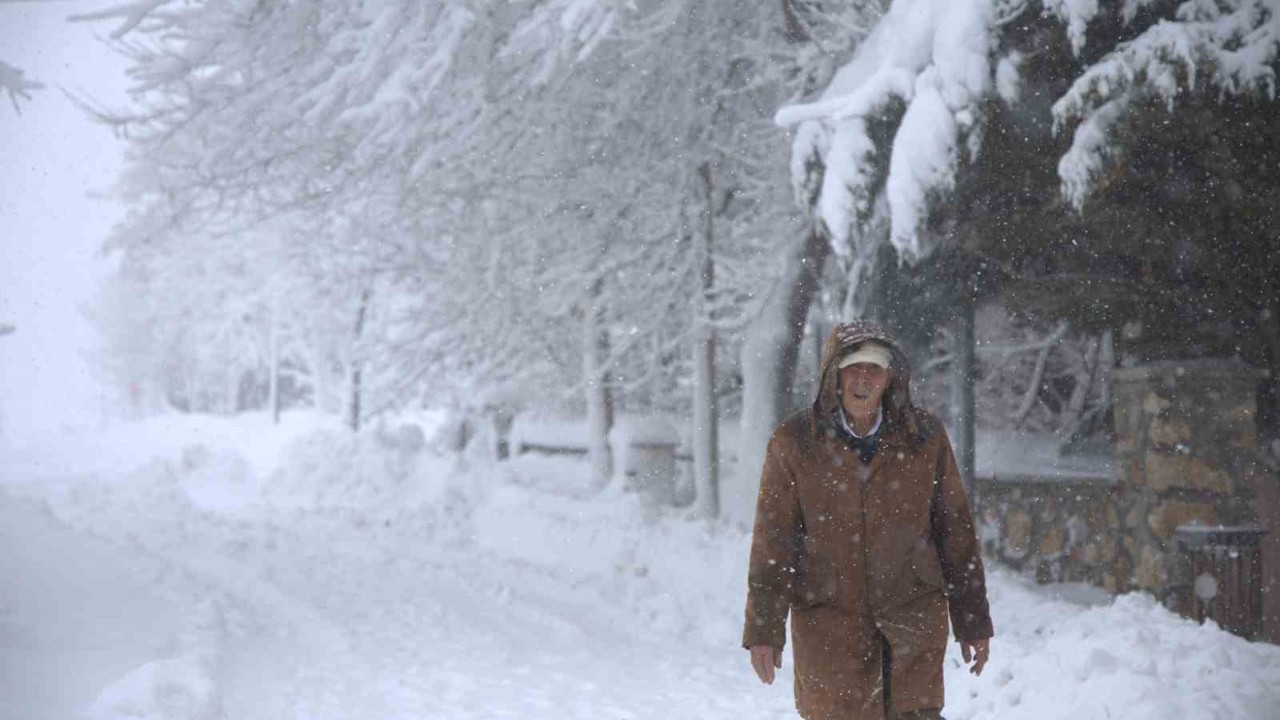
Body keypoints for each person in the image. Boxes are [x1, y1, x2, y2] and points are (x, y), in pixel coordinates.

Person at [743, 319, 993, 720]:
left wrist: (973, 620)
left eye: (874, 368)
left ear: (890, 378)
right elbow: (774, 543)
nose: (864, 378)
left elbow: (955, 533)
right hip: (829, 632)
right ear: (833, 377)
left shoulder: (924, 438)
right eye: (853, 367)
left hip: (912, 624)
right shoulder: (794, 442)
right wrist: (763, 632)